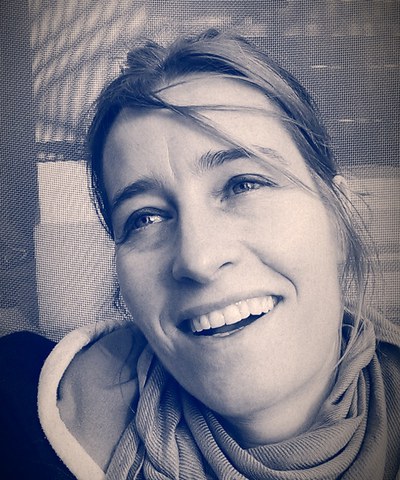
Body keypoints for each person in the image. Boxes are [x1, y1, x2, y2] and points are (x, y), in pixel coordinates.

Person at [0, 29, 399, 480]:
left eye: (244, 184)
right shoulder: (17, 426)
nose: (197, 259)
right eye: (145, 217)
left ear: (337, 220)